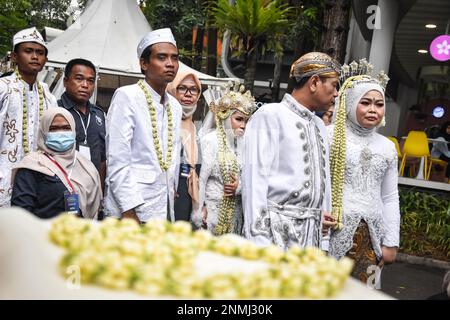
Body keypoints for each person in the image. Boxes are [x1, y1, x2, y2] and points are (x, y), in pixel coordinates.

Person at [242, 52, 340, 250]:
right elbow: (254, 181)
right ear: (314, 82)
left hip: (311, 237)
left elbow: (324, 182)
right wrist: (258, 242)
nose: (337, 93)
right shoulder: (270, 115)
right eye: (334, 85)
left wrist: (324, 239)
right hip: (275, 236)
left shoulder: (319, 124)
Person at [327, 60, 400, 284]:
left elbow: (389, 197)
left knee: (364, 294)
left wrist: (391, 242)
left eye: (379, 104)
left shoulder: (387, 146)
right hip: (330, 232)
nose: (372, 110)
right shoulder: (328, 136)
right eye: (365, 102)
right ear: (350, 104)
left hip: (372, 238)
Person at [104, 28, 182, 223]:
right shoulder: (127, 96)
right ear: (144, 63)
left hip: (163, 210)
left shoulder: (175, 105)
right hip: (130, 211)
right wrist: (128, 211)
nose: (170, 64)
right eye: (162, 57)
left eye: (174, 58)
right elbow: (117, 158)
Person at [0, 27, 57, 207]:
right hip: (5, 177)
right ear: (15, 57)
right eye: (28, 51)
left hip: (40, 180)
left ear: (45, 60)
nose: (34, 56)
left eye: (39, 53)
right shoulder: (3, 88)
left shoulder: (49, 96)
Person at [11, 108, 102, 219]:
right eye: (53, 129)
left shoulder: (86, 165)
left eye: (66, 128)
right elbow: (21, 215)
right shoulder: (32, 165)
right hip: (42, 234)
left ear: (74, 130)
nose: (60, 133)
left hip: (81, 234)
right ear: (44, 132)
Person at [192, 83, 256, 235]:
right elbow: (200, 180)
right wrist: (199, 210)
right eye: (239, 119)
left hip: (236, 216)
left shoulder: (247, 143)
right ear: (226, 117)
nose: (243, 125)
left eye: (246, 121)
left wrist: (238, 187)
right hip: (212, 213)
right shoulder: (210, 141)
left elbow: (252, 178)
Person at [58, 58, 106, 190]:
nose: (85, 85)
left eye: (90, 81)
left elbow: (102, 158)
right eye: (79, 79)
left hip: (92, 187)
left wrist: (100, 192)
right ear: (66, 82)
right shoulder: (56, 111)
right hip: (64, 186)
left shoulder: (99, 114)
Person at [166, 70, 202, 222]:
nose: (189, 94)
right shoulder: (164, 120)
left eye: (194, 89)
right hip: (168, 192)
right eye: (182, 88)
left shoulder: (194, 127)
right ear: (173, 89)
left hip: (189, 196)